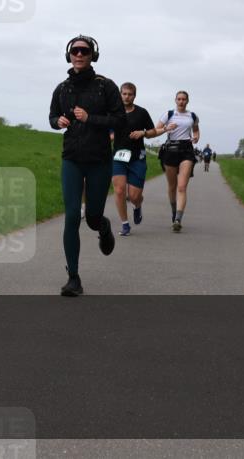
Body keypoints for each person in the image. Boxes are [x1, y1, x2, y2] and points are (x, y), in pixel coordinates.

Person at [48, 34, 125, 296]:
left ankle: (103, 227)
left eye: (85, 51)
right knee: (71, 216)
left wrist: (90, 118)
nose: (79, 55)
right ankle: (73, 278)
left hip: (99, 160)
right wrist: (57, 121)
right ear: (69, 55)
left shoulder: (106, 87)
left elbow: (119, 121)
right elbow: (51, 116)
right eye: (75, 51)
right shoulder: (62, 89)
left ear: (93, 56)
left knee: (91, 217)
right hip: (71, 158)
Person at [110, 82, 157, 237]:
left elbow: (152, 131)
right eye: (124, 93)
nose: (127, 97)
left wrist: (142, 133)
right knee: (119, 190)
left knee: (134, 196)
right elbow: (107, 130)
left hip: (137, 157)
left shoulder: (142, 113)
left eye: (130, 94)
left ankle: (137, 206)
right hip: (118, 157)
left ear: (134, 96)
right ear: (120, 94)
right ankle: (125, 224)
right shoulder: (113, 112)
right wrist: (110, 136)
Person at [154, 91, 200, 232]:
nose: (181, 101)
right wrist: (167, 128)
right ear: (175, 100)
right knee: (172, 186)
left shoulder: (192, 116)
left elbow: (196, 131)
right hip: (170, 150)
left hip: (186, 149)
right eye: (179, 99)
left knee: (182, 187)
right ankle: (174, 212)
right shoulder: (168, 114)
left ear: (187, 101)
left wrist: (196, 137)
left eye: (183, 99)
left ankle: (178, 219)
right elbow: (155, 130)